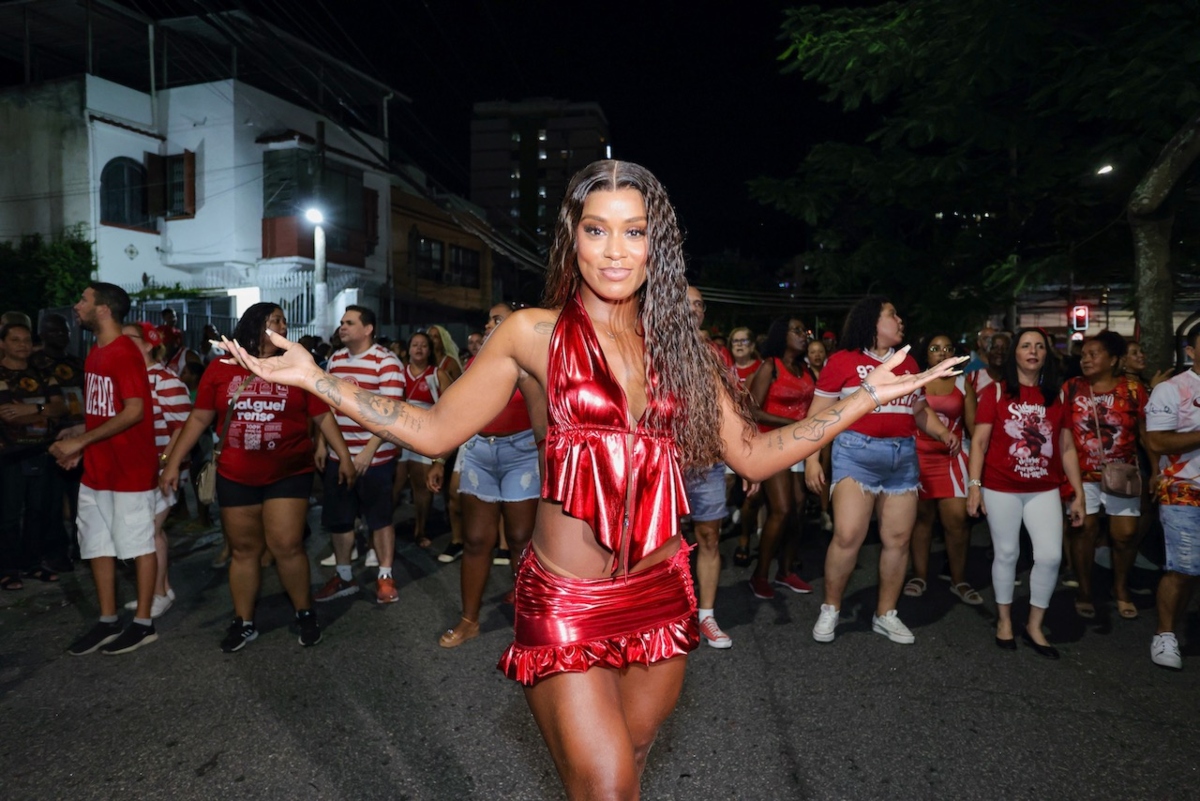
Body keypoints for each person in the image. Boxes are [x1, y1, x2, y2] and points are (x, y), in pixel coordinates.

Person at [219, 160, 960, 798]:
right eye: (596, 229)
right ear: (573, 238)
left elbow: (758, 455)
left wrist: (863, 398)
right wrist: (319, 381)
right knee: (607, 783)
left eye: (633, 230)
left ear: (655, 245)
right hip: (567, 602)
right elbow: (435, 428)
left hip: (661, 593)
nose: (614, 250)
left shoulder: (688, 352)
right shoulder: (532, 333)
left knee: (627, 766)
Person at [160, 302, 353, 652]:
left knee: (287, 545)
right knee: (244, 550)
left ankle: (305, 613)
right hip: (236, 473)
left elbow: (323, 416)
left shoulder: (297, 367)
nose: (282, 324)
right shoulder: (220, 369)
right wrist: (173, 463)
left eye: (283, 319)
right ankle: (244, 622)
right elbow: (200, 418)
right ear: (255, 325)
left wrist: (346, 456)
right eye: (274, 319)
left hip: (288, 472)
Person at [805, 297, 959, 645]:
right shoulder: (841, 362)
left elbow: (919, 411)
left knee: (898, 540)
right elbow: (817, 416)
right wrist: (812, 460)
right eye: (893, 314)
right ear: (872, 322)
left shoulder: (909, 364)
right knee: (847, 536)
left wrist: (941, 432)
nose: (900, 320)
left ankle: (885, 613)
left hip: (903, 458)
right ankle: (831, 607)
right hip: (855, 455)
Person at [51, 283, 160, 656]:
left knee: (138, 544)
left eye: (83, 299)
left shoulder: (123, 352)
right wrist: (79, 434)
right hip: (98, 469)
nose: (76, 305)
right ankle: (108, 620)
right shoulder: (96, 352)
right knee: (97, 545)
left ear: (103, 310)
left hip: (129, 471)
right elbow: (106, 410)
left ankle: (144, 623)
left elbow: (135, 411)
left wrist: (79, 443)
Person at [429, 301, 543, 648]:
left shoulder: (534, 361)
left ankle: (530, 623)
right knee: (477, 539)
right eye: (489, 319)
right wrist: (441, 458)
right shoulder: (478, 362)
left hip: (521, 454)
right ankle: (469, 621)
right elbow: (458, 412)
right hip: (479, 452)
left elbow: (544, 419)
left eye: (498, 319)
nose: (490, 324)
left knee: (522, 539)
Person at [967, 327, 1085, 659]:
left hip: (1044, 488)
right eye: (1025, 346)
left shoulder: (1058, 395)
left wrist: (1077, 492)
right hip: (1001, 486)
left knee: (1050, 556)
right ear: (1015, 354)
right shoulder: (997, 391)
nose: (1032, 351)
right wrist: (974, 487)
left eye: (1039, 346)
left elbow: (1066, 447)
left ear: (1047, 354)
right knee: (1007, 554)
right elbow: (979, 441)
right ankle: (1004, 621)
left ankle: (1035, 625)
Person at [313, 305, 405, 605]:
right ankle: (344, 576)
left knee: (379, 518)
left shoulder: (386, 361)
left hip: (375, 458)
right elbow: (325, 406)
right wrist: (321, 444)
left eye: (349, 323)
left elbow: (392, 414)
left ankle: (385, 576)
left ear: (368, 329)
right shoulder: (336, 360)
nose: (342, 327)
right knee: (340, 519)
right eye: (341, 323)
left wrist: (367, 452)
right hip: (340, 456)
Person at [1061, 330, 1149, 620]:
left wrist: (1158, 469)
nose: (1086, 359)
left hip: (1122, 473)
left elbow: (1147, 433)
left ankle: (1120, 588)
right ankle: (1085, 591)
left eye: (1093, 354)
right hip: (1081, 476)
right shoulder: (1072, 388)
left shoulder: (1134, 390)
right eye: (1084, 354)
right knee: (1083, 530)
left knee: (1124, 534)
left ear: (1113, 360)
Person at [121, 322, 191, 618]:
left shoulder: (165, 379)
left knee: (148, 533)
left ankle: (158, 594)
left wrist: (165, 463)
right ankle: (161, 589)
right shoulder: (128, 378)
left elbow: (183, 427)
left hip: (161, 470)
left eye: (129, 340)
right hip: (136, 470)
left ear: (148, 344)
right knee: (150, 533)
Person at [683, 286, 739, 648]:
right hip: (664, 463)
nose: (696, 309)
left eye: (700, 304)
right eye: (688, 303)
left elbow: (730, 410)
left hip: (708, 462)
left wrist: (738, 461)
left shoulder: (715, 355)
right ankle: (667, 615)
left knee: (709, 538)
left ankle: (707, 616)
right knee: (662, 546)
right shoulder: (646, 346)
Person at [907, 333, 980, 604]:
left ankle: (959, 580)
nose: (941, 352)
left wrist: (979, 470)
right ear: (925, 355)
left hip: (953, 458)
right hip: (917, 458)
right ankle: (919, 575)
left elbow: (973, 430)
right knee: (921, 520)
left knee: (957, 522)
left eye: (947, 348)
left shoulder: (962, 383)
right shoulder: (915, 382)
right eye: (934, 348)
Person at [748, 316, 817, 600]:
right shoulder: (770, 366)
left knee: (799, 510)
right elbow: (753, 411)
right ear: (782, 335)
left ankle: (785, 571)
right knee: (782, 508)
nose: (804, 335)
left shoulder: (805, 370)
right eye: (797, 330)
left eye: (805, 331)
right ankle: (760, 575)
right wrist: (792, 425)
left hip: (800, 446)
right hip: (773, 443)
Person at [1144, 323, 1200, 670]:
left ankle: (1177, 627)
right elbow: (1157, 442)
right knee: (1182, 568)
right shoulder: (1170, 390)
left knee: (1194, 570)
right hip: (1182, 489)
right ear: (1191, 352)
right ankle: (1164, 635)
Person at [0, 321, 67, 590]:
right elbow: (6, 413)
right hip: (10, 453)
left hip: (42, 450)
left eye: (27, 340)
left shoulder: (42, 372)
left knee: (40, 510)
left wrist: (31, 408)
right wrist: (42, 408)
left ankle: (33, 563)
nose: (23, 345)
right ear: (3, 343)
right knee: (8, 513)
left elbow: (60, 406)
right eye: (15, 340)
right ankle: (7, 568)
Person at [392, 331, 450, 550]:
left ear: (430, 350)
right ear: (408, 349)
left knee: (421, 485)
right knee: (395, 484)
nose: (419, 349)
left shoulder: (438, 374)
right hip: (400, 434)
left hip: (425, 435)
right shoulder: (398, 373)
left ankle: (421, 529)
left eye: (423, 345)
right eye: (415, 345)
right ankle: (383, 529)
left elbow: (448, 408)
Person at [728, 327, 763, 567]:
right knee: (730, 480)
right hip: (730, 433)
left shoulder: (761, 369)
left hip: (757, 434)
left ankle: (755, 532)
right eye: (735, 341)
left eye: (744, 341)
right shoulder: (725, 370)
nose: (739, 345)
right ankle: (729, 511)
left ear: (752, 345)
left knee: (758, 490)